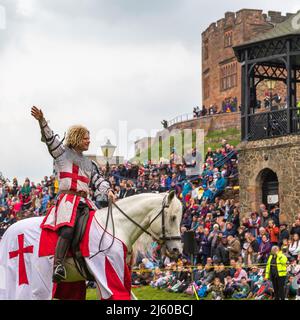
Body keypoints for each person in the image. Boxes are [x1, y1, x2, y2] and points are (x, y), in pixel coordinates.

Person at [31, 106, 116, 283]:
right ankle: (59, 265)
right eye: (86, 138)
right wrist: (42, 121)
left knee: (98, 229)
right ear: (77, 138)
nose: (88, 141)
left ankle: (90, 263)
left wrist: (107, 191)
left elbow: (98, 180)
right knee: (68, 230)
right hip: (68, 202)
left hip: (86, 203)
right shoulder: (61, 154)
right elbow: (50, 139)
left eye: (89, 138)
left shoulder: (89, 163)